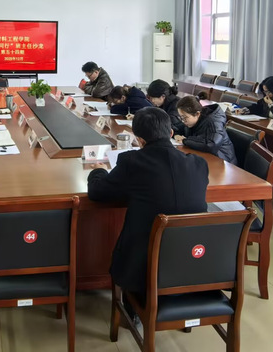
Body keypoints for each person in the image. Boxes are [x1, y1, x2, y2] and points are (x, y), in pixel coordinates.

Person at [87, 107, 209, 302]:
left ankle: (133, 307)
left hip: (141, 269)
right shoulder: (199, 163)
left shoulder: (132, 162)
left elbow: (97, 193)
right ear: (171, 133)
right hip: (193, 259)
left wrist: (98, 171)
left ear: (139, 140)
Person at [173, 96, 237, 164]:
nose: (183, 121)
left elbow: (211, 144)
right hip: (206, 157)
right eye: (181, 117)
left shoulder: (213, 122)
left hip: (224, 161)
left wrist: (185, 140)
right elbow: (176, 128)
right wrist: (176, 134)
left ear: (197, 114)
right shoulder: (191, 120)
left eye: (184, 117)